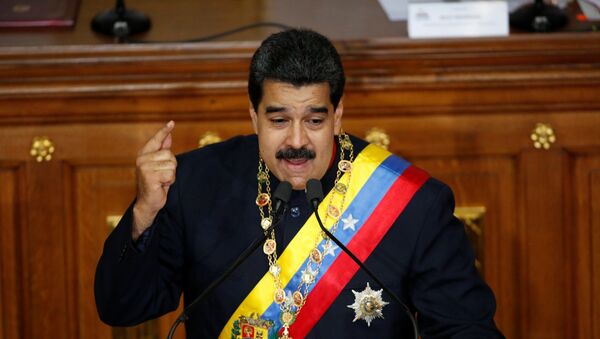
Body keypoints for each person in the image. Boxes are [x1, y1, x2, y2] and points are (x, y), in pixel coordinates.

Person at [95, 29, 504, 339]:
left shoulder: (412, 204)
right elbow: (122, 308)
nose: (296, 142)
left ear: (338, 116)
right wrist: (144, 213)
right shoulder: (196, 185)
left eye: (314, 120)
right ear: (253, 116)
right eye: (278, 121)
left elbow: (467, 330)